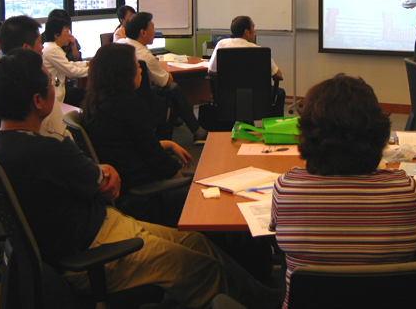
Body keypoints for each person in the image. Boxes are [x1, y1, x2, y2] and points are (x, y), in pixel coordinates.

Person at [0, 48, 282, 309]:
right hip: (99, 247)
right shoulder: (49, 149)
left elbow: (96, 178)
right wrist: (103, 173)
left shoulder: (0, 147)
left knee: (195, 241)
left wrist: (102, 173)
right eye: (51, 83)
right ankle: (266, 302)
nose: (54, 87)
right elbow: (106, 185)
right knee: (201, 267)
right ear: (38, 100)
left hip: (106, 227)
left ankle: (262, 296)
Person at [269, 75, 416, 309]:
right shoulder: (407, 190)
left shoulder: (286, 188)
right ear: (380, 134)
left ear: (308, 133)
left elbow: (274, 231)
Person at [81, 43, 193, 224]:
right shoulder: (129, 106)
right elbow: (155, 157)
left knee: (196, 181)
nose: (140, 69)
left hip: (125, 186)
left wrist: (170, 144)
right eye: (135, 65)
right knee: (202, 190)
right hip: (142, 193)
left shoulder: (93, 104)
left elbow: (131, 145)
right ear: (123, 73)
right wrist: (180, 183)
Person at [117, 12, 208, 144]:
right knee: (173, 90)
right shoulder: (146, 57)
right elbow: (166, 81)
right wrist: (166, 75)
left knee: (173, 93)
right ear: (143, 32)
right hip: (143, 102)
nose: (155, 32)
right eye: (152, 28)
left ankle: (193, 133)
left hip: (121, 101)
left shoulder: (119, 45)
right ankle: (190, 133)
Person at [0, 15, 71, 139]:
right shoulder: (40, 89)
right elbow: (61, 136)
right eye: (39, 42)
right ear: (26, 49)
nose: (42, 47)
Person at [207, 16, 286, 117]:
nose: (255, 31)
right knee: (280, 93)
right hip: (254, 96)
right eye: (253, 27)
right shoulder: (259, 51)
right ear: (247, 32)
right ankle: (275, 124)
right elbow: (278, 74)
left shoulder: (222, 44)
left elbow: (211, 71)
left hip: (227, 95)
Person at [42, 16, 88, 107]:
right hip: (55, 95)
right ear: (56, 35)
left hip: (58, 90)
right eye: (67, 31)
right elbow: (72, 72)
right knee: (85, 95)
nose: (70, 35)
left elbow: (67, 64)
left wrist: (86, 64)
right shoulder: (52, 50)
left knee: (81, 93)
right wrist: (94, 70)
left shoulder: (51, 47)